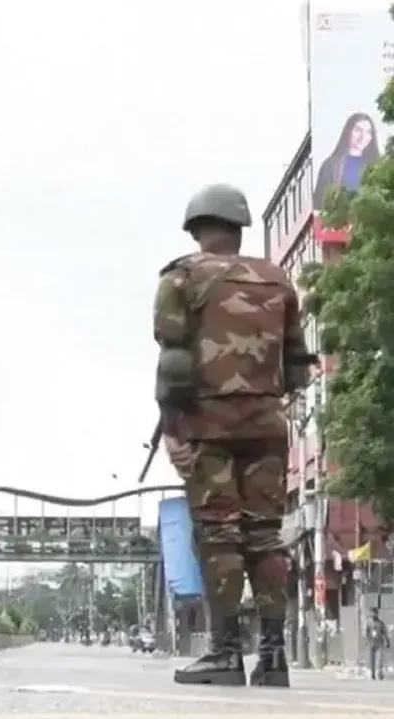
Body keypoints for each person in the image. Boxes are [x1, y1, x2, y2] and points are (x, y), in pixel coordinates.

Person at [154, 183, 313, 689]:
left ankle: (224, 653)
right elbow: (297, 365)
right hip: (268, 425)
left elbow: (175, 361)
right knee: (266, 535)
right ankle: (273, 657)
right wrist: (264, 401)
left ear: (196, 227)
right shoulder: (277, 279)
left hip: (208, 424)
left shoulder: (181, 277)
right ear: (239, 228)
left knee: (219, 532)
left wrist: (174, 426)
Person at [313, 112, 380, 208]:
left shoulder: (376, 165)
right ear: (348, 131)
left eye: (368, 132)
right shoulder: (330, 165)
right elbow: (319, 203)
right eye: (358, 130)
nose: (363, 136)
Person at [367, 608, 389, 680]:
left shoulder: (381, 623)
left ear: (377, 614)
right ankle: (372, 674)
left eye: (374, 613)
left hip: (379, 643)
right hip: (371, 643)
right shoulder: (369, 623)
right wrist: (367, 641)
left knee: (379, 659)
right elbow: (366, 633)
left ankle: (379, 673)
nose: (372, 615)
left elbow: (385, 632)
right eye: (371, 613)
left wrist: (387, 641)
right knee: (371, 660)